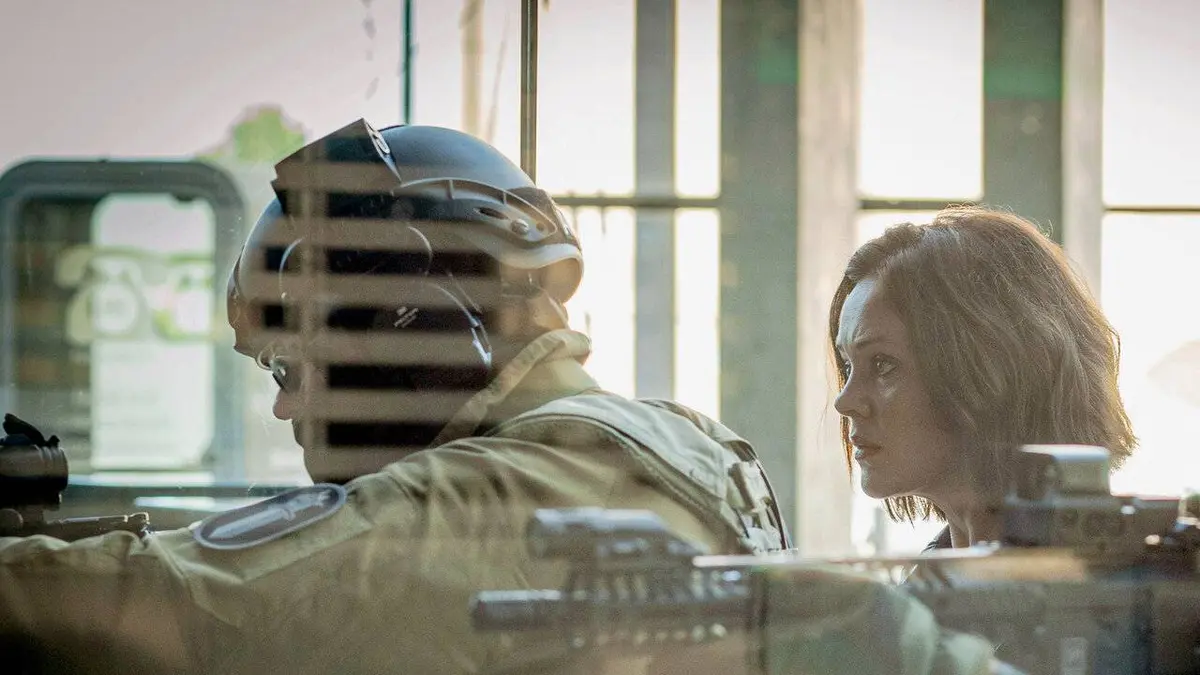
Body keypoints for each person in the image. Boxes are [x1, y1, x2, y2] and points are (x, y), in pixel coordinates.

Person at [0, 118, 793, 675]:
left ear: (405, 313)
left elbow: (174, 602)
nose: (284, 407)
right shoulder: (685, 438)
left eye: (288, 365)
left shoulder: (517, 487)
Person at [829, 205, 1136, 550]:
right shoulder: (935, 571)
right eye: (848, 366)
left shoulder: (1114, 579)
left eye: (883, 364)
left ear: (990, 373)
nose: (844, 402)